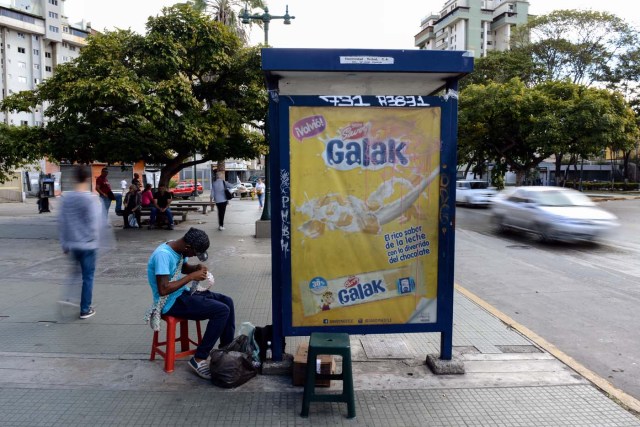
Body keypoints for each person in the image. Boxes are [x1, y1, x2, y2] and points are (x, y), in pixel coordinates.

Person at [146, 228, 235, 380]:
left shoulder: (179, 249)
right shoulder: (163, 255)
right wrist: (191, 277)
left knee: (227, 301)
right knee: (221, 311)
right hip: (170, 303)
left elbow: (183, 267)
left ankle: (225, 350)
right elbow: (163, 289)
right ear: (188, 247)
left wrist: (196, 269)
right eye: (194, 253)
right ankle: (199, 359)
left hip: (182, 294)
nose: (194, 256)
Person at [58, 166, 103, 319]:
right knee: (87, 277)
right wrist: (95, 240)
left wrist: (64, 243)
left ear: (73, 179)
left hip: (72, 243)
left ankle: (68, 298)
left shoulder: (66, 198)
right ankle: (85, 308)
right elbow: (94, 222)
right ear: (88, 179)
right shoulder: (90, 199)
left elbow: (62, 221)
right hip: (88, 244)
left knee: (75, 273)